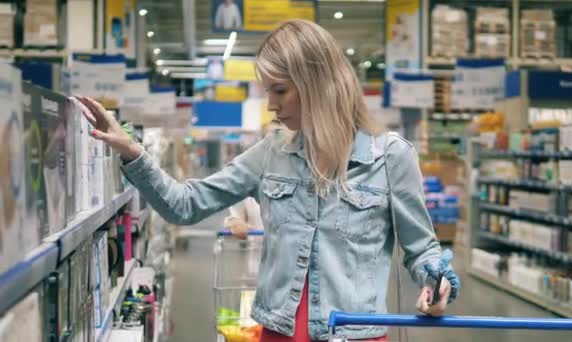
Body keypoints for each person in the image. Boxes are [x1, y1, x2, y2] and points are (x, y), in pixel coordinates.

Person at [73, 19, 460, 341]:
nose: (271, 104)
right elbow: (185, 204)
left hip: (356, 335)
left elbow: (422, 250)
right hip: (277, 333)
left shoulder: (391, 156)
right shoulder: (271, 153)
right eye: (267, 90)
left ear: (317, 82)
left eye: (280, 90)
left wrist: (436, 282)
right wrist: (133, 152)